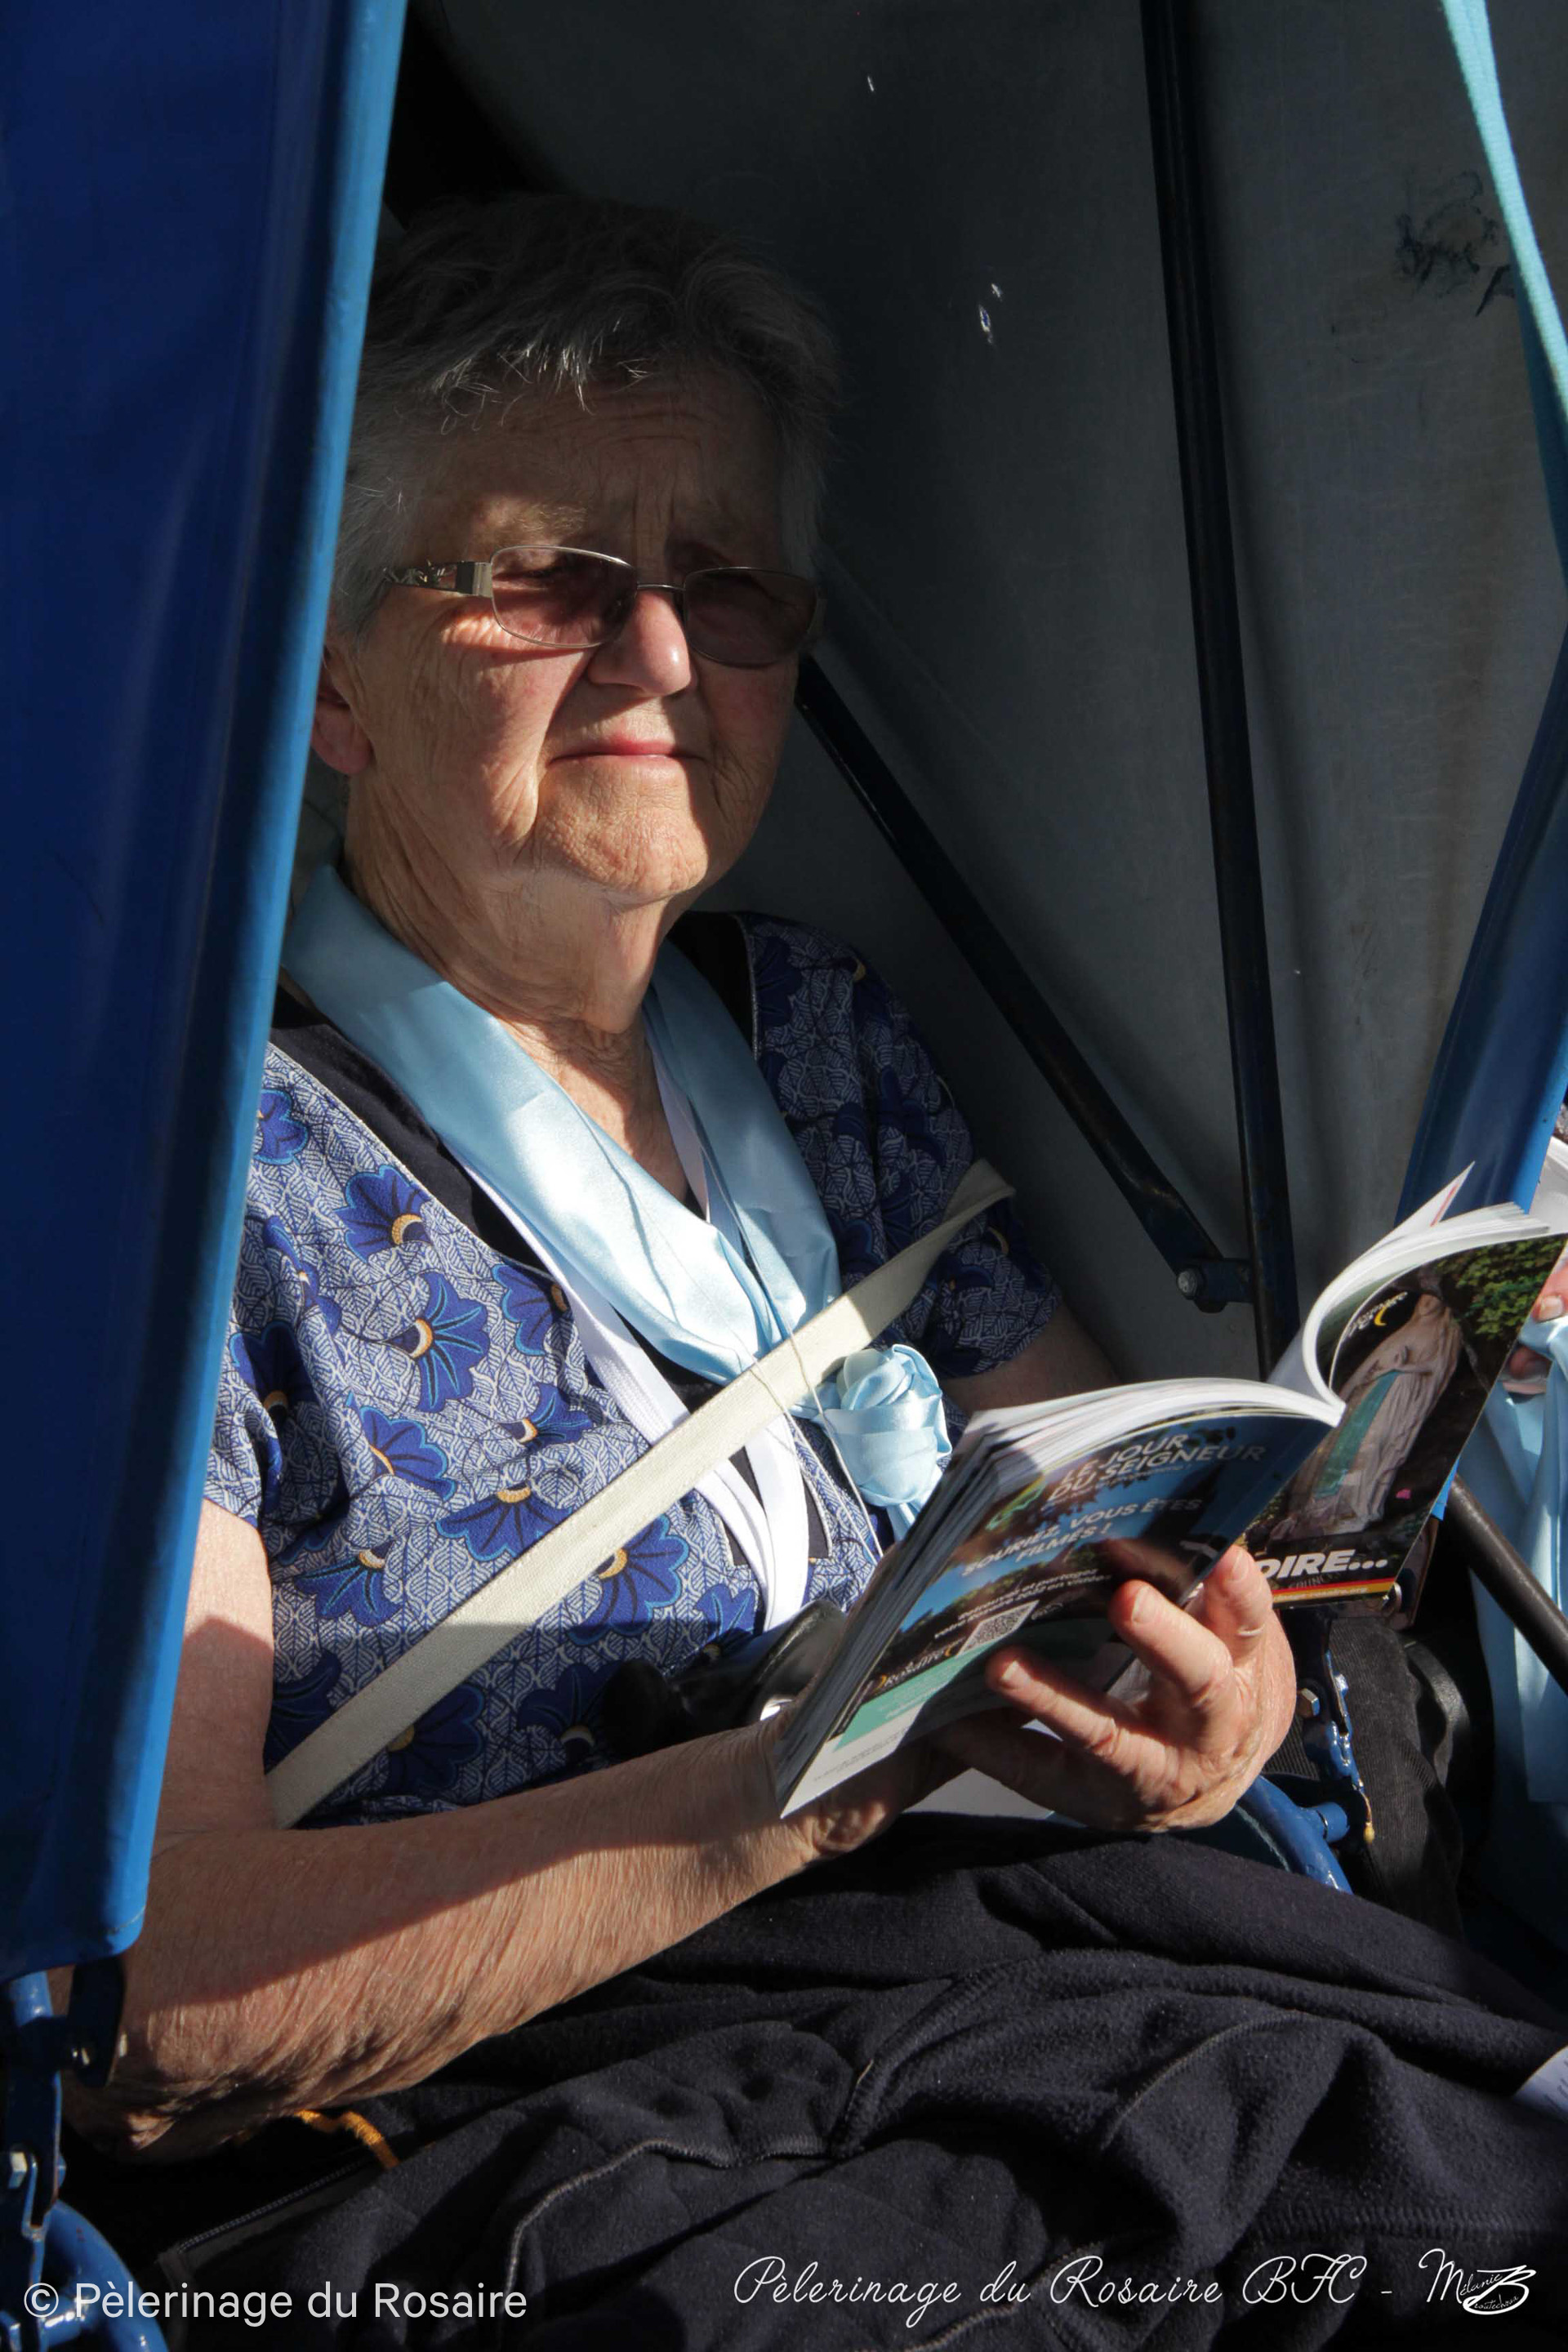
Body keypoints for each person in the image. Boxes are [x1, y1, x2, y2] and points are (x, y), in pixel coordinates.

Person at [63, 198, 1568, 2341]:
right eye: (549, 576)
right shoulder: (182, 1189)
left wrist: (1217, 1712)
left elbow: (1130, 1529)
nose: (665, 656)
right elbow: (157, 2011)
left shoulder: (829, 1047)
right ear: (328, 682)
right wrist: (815, 1782)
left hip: (1030, 2009)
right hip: (546, 2147)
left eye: (729, 587)